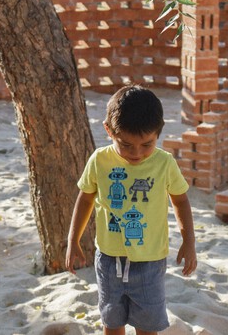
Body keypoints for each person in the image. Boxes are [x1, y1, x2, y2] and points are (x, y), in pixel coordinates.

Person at [65, 84, 197, 335]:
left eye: (146, 144)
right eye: (125, 145)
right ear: (109, 130)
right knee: (112, 322)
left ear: (158, 132)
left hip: (149, 261)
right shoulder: (99, 160)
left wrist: (188, 241)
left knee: (147, 326)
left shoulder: (164, 163)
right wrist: (73, 238)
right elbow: (85, 198)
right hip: (108, 260)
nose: (136, 153)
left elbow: (180, 201)